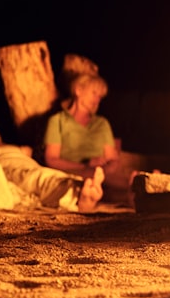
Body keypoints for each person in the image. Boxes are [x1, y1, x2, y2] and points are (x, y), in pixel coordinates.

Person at [0, 113, 104, 212]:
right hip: (6, 167)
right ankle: (78, 193)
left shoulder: (3, 146)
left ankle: (80, 188)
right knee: (36, 178)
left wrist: (21, 151)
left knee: (45, 174)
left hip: (26, 163)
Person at [43, 72, 128, 203]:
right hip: (70, 172)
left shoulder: (101, 123)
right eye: (94, 93)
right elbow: (51, 159)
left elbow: (113, 160)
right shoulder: (58, 121)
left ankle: (93, 192)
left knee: (104, 179)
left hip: (101, 175)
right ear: (78, 90)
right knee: (96, 180)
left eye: (100, 96)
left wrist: (103, 170)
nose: (97, 99)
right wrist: (85, 166)